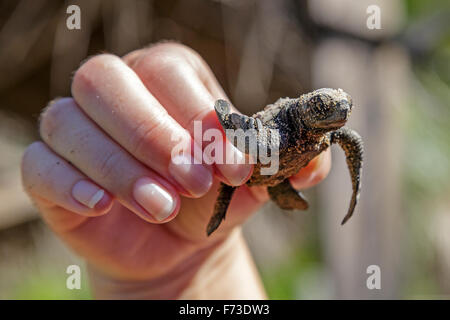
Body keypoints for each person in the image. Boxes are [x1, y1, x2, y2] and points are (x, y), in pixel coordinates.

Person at [20, 42, 331, 299]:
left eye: (346, 109)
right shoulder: (283, 128)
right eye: (326, 107)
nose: (340, 113)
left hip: (268, 173)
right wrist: (170, 281)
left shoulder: (326, 137)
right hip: (251, 171)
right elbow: (247, 131)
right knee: (227, 173)